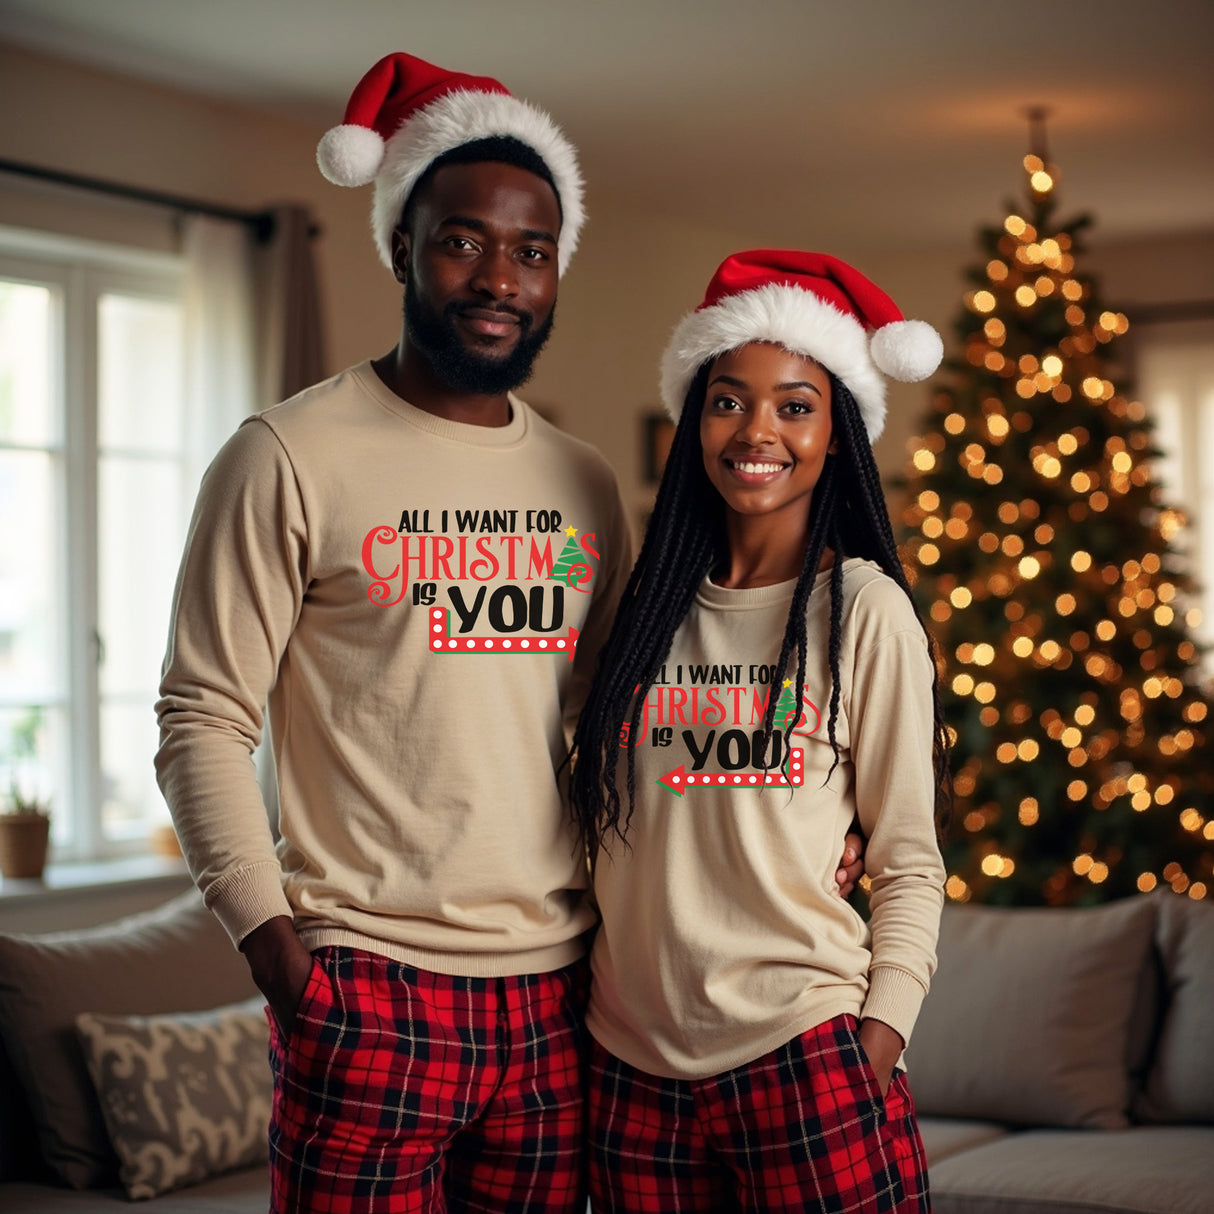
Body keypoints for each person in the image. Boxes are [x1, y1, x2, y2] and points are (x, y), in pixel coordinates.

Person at [156, 50, 865, 1212]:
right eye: (462, 239)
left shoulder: (582, 481)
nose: (499, 277)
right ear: (401, 245)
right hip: (364, 983)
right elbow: (201, 709)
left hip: (561, 1000)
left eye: (531, 251)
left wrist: (794, 834)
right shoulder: (286, 453)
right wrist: (271, 943)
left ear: (555, 270)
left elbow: (621, 727)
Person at [568, 250, 952, 1213]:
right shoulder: (639, 613)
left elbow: (907, 857)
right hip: (628, 1070)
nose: (758, 431)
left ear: (838, 434)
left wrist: (879, 1041)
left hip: (803, 1052)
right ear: (695, 419)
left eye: (795, 405)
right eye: (729, 400)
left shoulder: (863, 612)